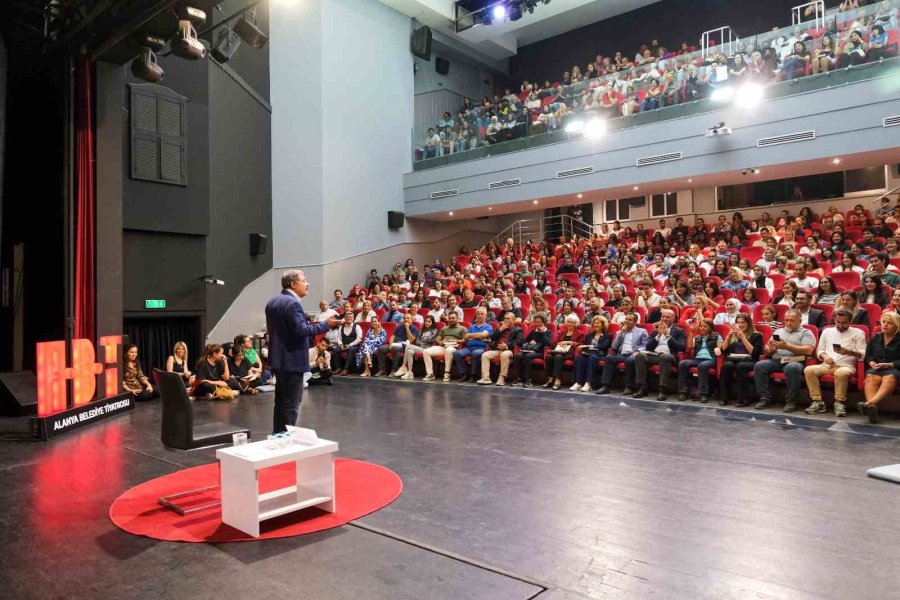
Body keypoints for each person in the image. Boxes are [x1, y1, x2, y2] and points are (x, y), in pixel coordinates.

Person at [265, 270, 340, 433]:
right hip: (292, 359)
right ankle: (287, 439)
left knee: (280, 402)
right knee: (291, 404)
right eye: (304, 280)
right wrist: (326, 324)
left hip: (278, 359)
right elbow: (301, 330)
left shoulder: (272, 301)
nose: (308, 284)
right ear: (293, 284)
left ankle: (278, 435)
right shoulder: (293, 303)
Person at [803, 309, 866, 417]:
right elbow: (820, 350)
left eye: (844, 323)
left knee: (841, 372)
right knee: (808, 370)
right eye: (838, 322)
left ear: (850, 321)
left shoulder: (858, 333)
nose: (840, 325)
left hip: (847, 366)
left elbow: (863, 354)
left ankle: (840, 403)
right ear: (835, 320)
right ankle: (818, 402)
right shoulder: (827, 331)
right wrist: (825, 357)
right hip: (827, 364)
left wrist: (849, 352)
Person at [752, 309, 816, 412]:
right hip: (777, 360)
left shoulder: (806, 333)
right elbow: (768, 349)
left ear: (800, 321)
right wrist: (770, 350)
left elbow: (808, 351)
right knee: (759, 365)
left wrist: (786, 346)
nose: (788, 323)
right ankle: (765, 399)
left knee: (792, 367)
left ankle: (792, 401)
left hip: (795, 360)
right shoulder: (778, 331)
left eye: (792, 320)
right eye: (786, 320)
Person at [631, 309, 685, 400]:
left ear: (673, 319)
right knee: (640, 355)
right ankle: (642, 388)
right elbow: (648, 347)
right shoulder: (656, 331)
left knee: (664, 357)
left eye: (667, 317)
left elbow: (681, 347)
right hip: (654, 355)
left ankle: (662, 390)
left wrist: (668, 335)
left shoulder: (679, 331)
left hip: (669, 356)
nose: (664, 319)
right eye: (663, 316)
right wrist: (658, 336)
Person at [857, 313, 900, 423]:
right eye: (883, 322)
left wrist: (890, 364)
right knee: (870, 377)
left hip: (895, 368)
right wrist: (871, 362)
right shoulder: (875, 337)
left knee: (889, 377)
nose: (885, 325)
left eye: (889, 323)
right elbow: (869, 355)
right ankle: (872, 409)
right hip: (877, 368)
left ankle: (869, 404)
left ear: (897, 325)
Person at [596, 314, 649, 395]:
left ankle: (628, 386)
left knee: (629, 360)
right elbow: (614, 346)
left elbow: (645, 345)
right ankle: (606, 386)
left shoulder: (642, 331)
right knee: (609, 357)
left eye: (629, 320)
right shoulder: (620, 332)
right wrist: (621, 332)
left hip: (633, 354)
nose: (626, 321)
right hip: (622, 354)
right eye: (626, 319)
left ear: (635, 322)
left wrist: (638, 351)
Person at [718, 313, 764, 407]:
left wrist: (743, 337)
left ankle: (744, 399)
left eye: (743, 322)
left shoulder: (757, 335)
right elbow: (723, 350)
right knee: (727, 365)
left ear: (749, 323)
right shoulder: (734, 335)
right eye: (738, 322)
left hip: (750, 361)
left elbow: (755, 353)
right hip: (734, 359)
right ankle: (723, 397)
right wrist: (728, 336)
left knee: (741, 366)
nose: (740, 325)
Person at [677, 318, 721, 403]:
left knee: (703, 366)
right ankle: (683, 391)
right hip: (698, 359)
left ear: (711, 327)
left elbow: (719, 347)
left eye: (705, 326)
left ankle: (703, 393)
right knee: (683, 363)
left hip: (711, 359)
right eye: (701, 326)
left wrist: (718, 349)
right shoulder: (697, 337)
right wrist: (692, 332)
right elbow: (689, 347)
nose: (702, 328)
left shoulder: (716, 336)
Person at [478, 311, 524, 386]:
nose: (506, 320)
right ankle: (485, 378)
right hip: (497, 350)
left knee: (504, 355)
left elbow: (519, 342)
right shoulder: (501, 328)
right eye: (505, 318)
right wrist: (500, 329)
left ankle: (502, 378)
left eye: (508, 319)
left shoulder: (518, 329)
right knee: (485, 355)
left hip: (509, 350)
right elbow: (492, 338)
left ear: (513, 320)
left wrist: (507, 346)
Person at [422, 312, 467, 381]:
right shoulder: (444, 328)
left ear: (457, 319)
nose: (451, 320)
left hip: (454, 347)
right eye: (450, 318)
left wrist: (454, 341)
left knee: (448, 350)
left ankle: (447, 373)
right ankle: (430, 374)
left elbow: (465, 340)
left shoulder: (462, 329)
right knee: (426, 351)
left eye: (453, 318)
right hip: (443, 346)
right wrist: (441, 342)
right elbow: (438, 338)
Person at [544, 314, 585, 390]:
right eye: (568, 322)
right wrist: (557, 344)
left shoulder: (580, 333)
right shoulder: (561, 332)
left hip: (570, 353)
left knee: (558, 357)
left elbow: (581, 344)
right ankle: (550, 379)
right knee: (549, 357)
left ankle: (557, 380)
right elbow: (554, 343)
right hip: (559, 351)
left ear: (576, 323)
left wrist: (570, 342)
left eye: (572, 322)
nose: (570, 324)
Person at [453, 307, 493, 382]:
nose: (480, 315)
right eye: (478, 314)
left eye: (482, 314)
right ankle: (464, 374)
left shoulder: (488, 327)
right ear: (476, 315)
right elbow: (466, 337)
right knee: (456, 353)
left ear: (485, 316)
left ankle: (473, 375)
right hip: (468, 348)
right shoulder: (471, 327)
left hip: (481, 348)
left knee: (475, 353)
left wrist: (471, 336)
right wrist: (477, 336)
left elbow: (483, 335)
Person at [512, 314, 553, 387]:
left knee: (528, 356)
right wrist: (530, 342)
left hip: (540, 352)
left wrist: (542, 333)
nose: (537, 324)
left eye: (540, 322)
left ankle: (528, 380)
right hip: (529, 350)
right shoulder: (533, 332)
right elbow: (524, 342)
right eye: (536, 322)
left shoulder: (548, 332)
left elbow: (549, 344)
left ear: (544, 322)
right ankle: (517, 379)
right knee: (518, 356)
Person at [375, 312, 419, 377]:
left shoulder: (415, 328)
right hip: (394, 344)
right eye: (404, 318)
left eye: (408, 318)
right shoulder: (399, 327)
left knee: (395, 349)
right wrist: (390, 344)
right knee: (381, 349)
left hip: (405, 346)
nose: (406, 320)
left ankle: (394, 370)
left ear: (411, 320)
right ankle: (382, 370)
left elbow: (412, 339)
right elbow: (393, 336)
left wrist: (407, 328)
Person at [396, 315, 441, 380]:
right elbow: (417, 341)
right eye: (426, 321)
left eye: (429, 322)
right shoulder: (422, 330)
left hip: (427, 349)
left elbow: (430, 339)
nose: (427, 323)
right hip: (419, 347)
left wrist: (421, 341)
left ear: (432, 323)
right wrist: (422, 341)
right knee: (409, 351)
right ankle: (410, 372)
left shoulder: (435, 330)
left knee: (408, 346)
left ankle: (403, 366)